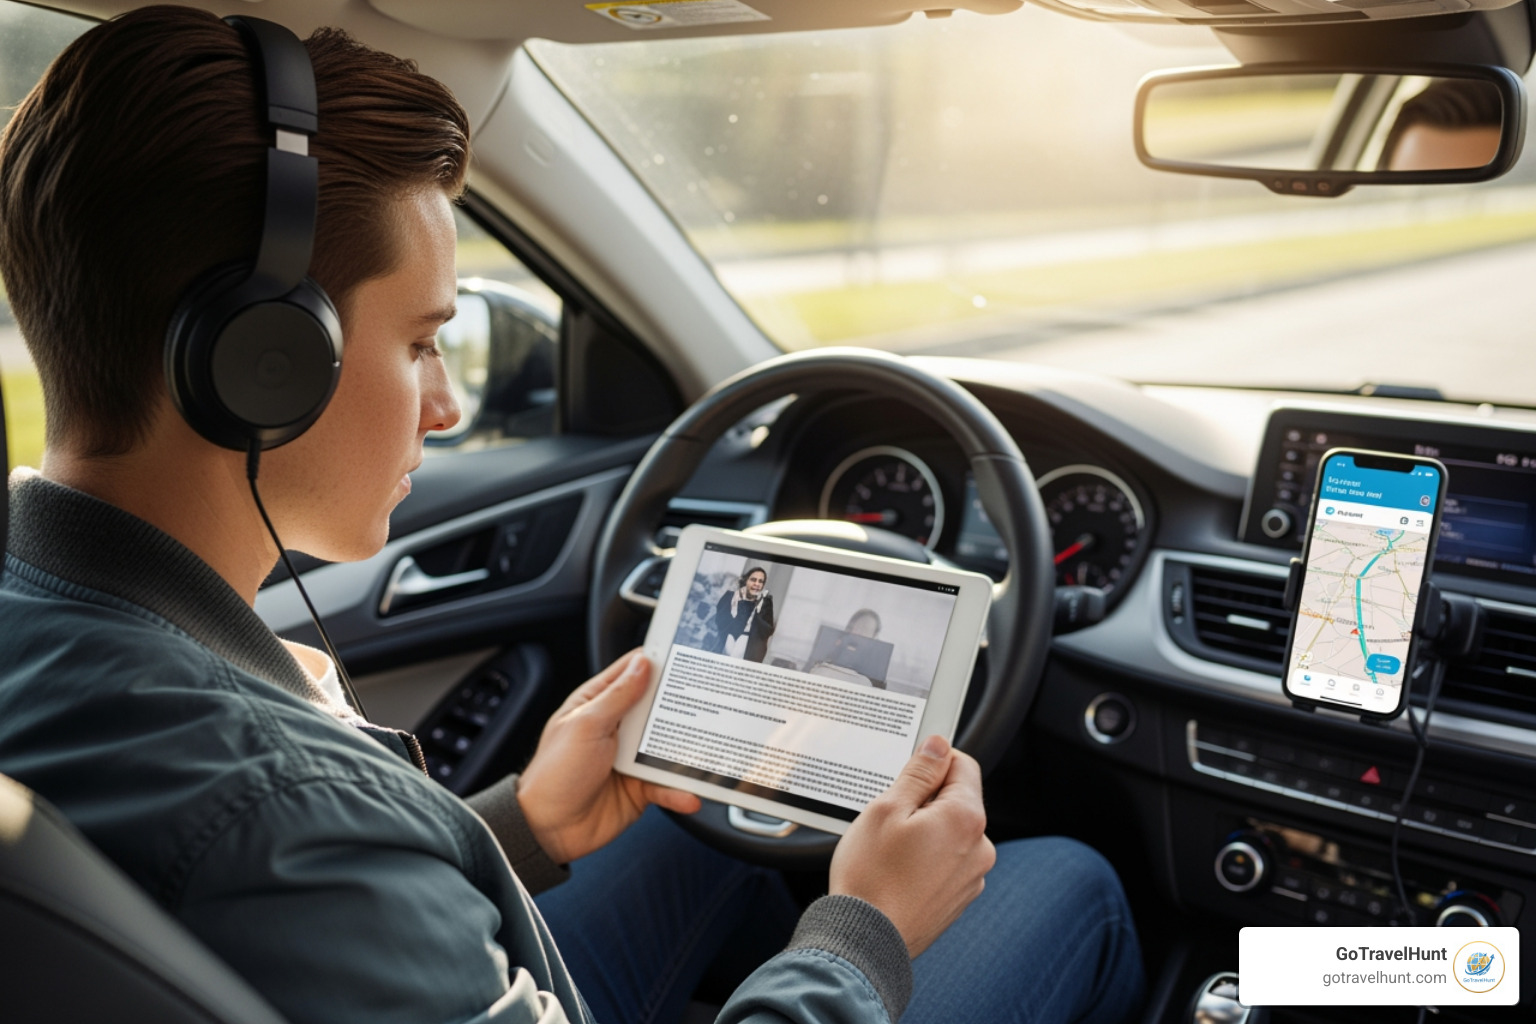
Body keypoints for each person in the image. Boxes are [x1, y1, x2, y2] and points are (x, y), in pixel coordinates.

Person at [0, 7, 1145, 1024]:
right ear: (262, 365)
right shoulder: (284, 812)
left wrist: (515, 829)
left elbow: (297, 928)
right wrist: (863, 935)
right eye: (419, 341)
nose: (447, 404)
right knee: (1075, 887)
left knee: (680, 832)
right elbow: (303, 867)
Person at [807, 608, 888, 688]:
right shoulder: (829, 656)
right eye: (853, 627)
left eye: (864, 629)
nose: (856, 632)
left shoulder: (875, 673)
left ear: (874, 637)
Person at [711, 566, 776, 662]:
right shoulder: (731, 596)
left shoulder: (765, 601)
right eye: (753, 580)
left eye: (760, 581)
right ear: (746, 580)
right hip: (726, 642)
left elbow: (768, 630)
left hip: (748, 648)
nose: (757, 584)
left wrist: (758, 610)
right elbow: (720, 620)